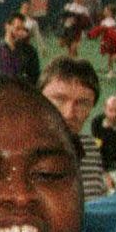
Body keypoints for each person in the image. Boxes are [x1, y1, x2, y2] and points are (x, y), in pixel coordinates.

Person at [39, 57, 109, 200]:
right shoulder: (12, 152)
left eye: (82, 103)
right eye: (59, 99)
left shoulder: (89, 148)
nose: (69, 113)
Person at [0, 13, 41, 83]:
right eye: (17, 29)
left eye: (23, 29)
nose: (21, 33)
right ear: (7, 26)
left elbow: (35, 79)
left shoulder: (30, 52)